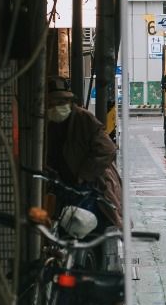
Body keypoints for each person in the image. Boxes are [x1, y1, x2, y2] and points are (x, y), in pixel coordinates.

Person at [45, 77, 123, 227]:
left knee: (90, 227)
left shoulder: (83, 118)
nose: (56, 108)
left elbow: (107, 149)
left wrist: (84, 174)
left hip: (90, 187)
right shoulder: (50, 124)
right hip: (62, 187)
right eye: (51, 104)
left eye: (61, 103)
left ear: (70, 102)